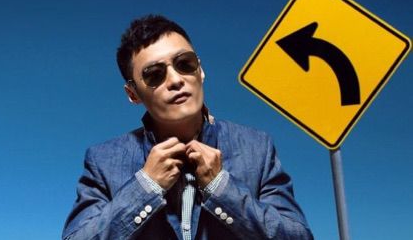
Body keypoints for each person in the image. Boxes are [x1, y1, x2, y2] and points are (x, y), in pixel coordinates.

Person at [62, 14, 313, 239]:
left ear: (200, 70)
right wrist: (146, 187)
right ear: (133, 94)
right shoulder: (104, 161)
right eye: (154, 74)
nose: (175, 80)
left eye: (185, 63)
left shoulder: (257, 149)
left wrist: (221, 188)